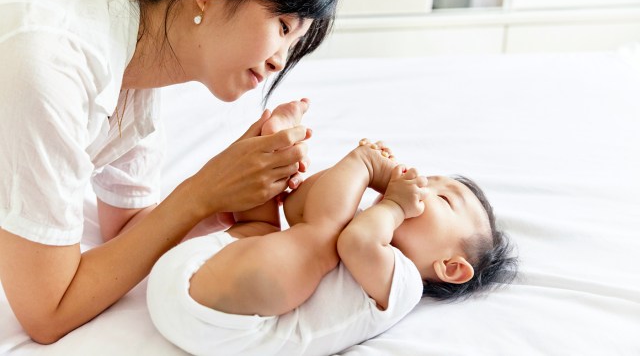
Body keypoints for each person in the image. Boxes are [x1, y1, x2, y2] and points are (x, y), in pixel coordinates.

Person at [0, 0, 338, 344]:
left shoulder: (136, 74)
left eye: (295, 44)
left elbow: (126, 231)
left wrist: (226, 198)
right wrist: (200, 191)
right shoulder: (50, 70)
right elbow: (46, 313)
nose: (279, 61)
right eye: (283, 26)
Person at [146, 105, 518, 355]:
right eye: (430, 178)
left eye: (443, 199)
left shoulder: (404, 282)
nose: (422, 185)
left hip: (226, 319)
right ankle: (271, 146)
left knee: (317, 237)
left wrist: (374, 179)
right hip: (208, 271)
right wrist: (350, 178)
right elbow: (297, 208)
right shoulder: (360, 223)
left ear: (450, 266)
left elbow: (352, 242)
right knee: (268, 222)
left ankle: (272, 148)